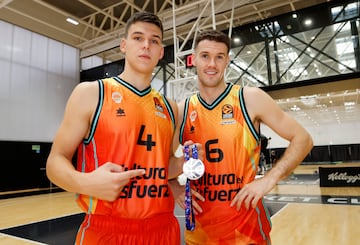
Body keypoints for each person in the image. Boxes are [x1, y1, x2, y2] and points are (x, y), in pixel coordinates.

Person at [46, 11, 198, 245]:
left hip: (162, 229)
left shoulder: (170, 108)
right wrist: (87, 183)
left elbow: (160, 167)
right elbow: (55, 162)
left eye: (154, 40)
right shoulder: (92, 93)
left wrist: (183, 165)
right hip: (107, 230)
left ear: (160, 53)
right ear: (124, 46)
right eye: (138, 38)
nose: (146, 45)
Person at [174, 29, 313, 244]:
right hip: (199, 235)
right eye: (205, 56)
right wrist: (173, 186)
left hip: (247, 233)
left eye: (219, 57)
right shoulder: (182, 110)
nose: (212, 64)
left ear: (227, 60)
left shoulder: (249, 99)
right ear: (193, 60)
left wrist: (269, 180)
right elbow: (158, 161)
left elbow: (303, 139)